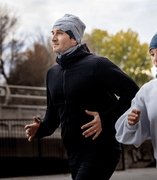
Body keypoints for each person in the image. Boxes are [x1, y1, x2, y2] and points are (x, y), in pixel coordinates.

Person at [25, 14, 139, 180]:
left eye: (60, 33)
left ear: (74, 38)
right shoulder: (52, 74)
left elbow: (132, 91)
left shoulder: (97, 65)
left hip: (101, 150)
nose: (53, 38)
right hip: (72, 154)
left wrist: (105, 118)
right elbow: (53, 115)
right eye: (52, 33)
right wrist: (42, 128)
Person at [115, 27, 157, 180]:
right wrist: (131, 123)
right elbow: (125, 133)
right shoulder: (147, 91)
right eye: (152, 54)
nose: (155, 59)